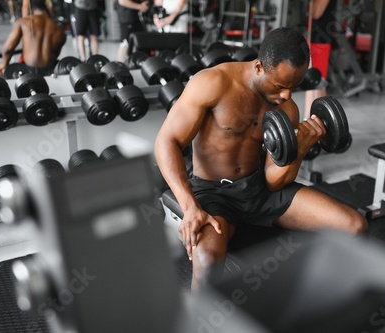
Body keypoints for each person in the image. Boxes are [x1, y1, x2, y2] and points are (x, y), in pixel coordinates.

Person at [154, 27, 368, 290]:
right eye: (280, 85)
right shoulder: (213, 83)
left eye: (293, 87)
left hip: (261, 191)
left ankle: (321, 302)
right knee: (208, 262)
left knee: (354, 226)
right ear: (258, 67)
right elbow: (167, 142)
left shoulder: (286, 107)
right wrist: (190, 207)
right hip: (214, 195)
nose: (287, 96)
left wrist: (299, 149)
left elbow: (274, 181)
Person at [0, 0, 66, 77]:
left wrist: (4, 64)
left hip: (28, 71)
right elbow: (56, 52)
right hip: (51, 71)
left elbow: (7, 49)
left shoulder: (23, 22)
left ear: (31, 10)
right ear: (47, 9)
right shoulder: (58, 28)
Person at [304, 0, 337, 120]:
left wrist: (309, 10)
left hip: (320, 39)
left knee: (316, 81)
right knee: (314, 81)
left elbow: (317, 13)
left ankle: (314, 120)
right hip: (316, 38)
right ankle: (314, 120)